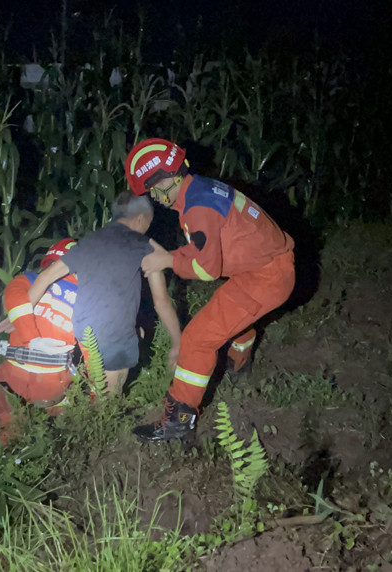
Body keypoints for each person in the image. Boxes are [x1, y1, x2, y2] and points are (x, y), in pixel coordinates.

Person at [124, 137, 295, 442]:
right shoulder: (199, 188)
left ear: (165, 181)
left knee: (197, 340)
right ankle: (239, 364)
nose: (153, 198)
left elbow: (206, 268)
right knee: (231, 315)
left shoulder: (197, 209)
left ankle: (177, 423)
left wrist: (167, 260)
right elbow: (204, 249)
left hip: (265, 277)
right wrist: (172, 258)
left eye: (152, 190)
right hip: (265, 267)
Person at [28, 191, 182, 394]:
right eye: (148, 224)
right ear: (139, 219)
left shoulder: (89, 241)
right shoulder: (143, 246)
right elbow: (161, 301)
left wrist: (19, 316)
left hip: (82, 336)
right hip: (114, 341)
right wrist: (178, 343)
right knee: (106, 408)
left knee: (140, 333)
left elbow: (45, 277)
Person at [0, 238, 79, 445]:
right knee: (59, 426)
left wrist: (30, 335)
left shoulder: (30, 279)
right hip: (54, 380)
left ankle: (7, 460)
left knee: (8, 426)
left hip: (15, 373)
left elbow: (12, 297)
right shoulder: (87, 294)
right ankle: (57, 452)